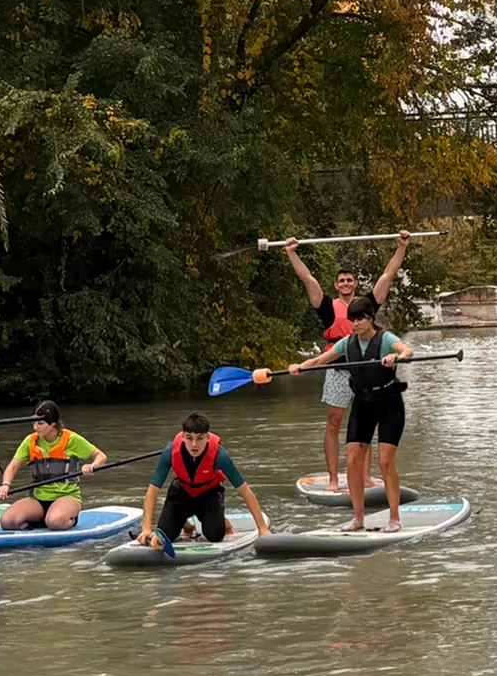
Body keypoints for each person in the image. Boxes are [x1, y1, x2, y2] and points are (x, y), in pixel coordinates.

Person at [284, 232, 412, 490]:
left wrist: (401, 247)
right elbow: (306, 278)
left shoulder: (367, 305)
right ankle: (333, 479)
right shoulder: (327, 305)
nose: (345, 283)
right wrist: (291, 253)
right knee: (334, 422)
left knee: (368, 424)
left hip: (369, 372)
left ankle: (364, 478)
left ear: (355, 284)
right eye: (341, 280)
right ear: (336, 284)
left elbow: (388, 276)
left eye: (349, 280)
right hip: (338, 368)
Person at [289, 296, 414, 532]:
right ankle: (358, 519)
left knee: (385, 460)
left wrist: (396, 357)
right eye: (352, 320)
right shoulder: (347, 343)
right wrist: (301, 367)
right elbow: (320, 360)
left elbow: (408, 351)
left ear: (370, 319)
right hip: (363, 403)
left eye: (359, 319)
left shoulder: (385, 339)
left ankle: (394, 518)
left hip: (389, 403)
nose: (355, 324)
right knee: (354, 460)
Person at [134, 412, 270, 550]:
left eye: (199, 438)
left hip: (209, 493)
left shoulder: (219, 456)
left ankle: (219, 519)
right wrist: (146, 529)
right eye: (189, 438)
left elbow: (244, 490)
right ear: (182, 437)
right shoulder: (170, 452)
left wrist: (262, 529)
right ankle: (184, 522)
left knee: (215, 535)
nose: (194, 444)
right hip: (182, 492)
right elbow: (152, 491)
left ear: (208, 438)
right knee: (167, 535)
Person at [0, 400, 108, 530]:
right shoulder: (30, 441)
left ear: (53, 423)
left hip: (67, 496)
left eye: (40, 423)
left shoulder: (71, 439)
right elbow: (12, 466)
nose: (35, 427)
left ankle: (65, 519)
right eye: (34, 422)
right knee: (7, 522)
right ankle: (42, 521)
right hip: (38, 499)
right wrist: (5, 484)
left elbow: (101, 456)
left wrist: (92, 466)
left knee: (55, 521)